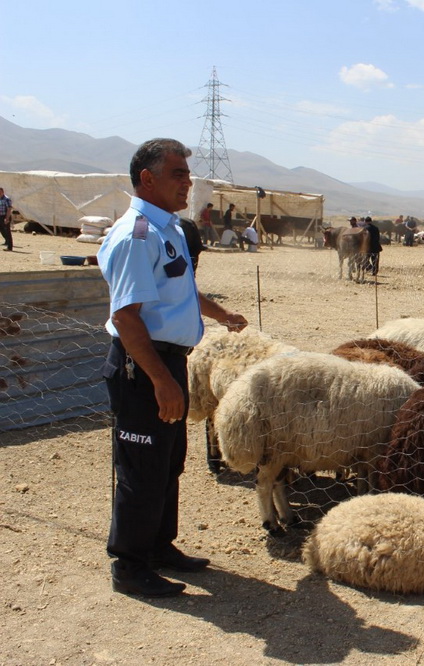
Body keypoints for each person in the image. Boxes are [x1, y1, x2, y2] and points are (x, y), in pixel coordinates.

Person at [96, 138, 247, 598]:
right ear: (148, 179)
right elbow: (127, 316)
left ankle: (160, 546)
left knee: (167, 461)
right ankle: (130, 565)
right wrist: (160, 381)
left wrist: (220, 315)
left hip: (168, 362)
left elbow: (179, 291)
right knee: (142, 465)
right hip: (142, 366)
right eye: (178, 173)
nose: (188, 182)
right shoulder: (135, 235)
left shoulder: (171, 230)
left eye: (187, 173)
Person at [0, 186, 13, 251]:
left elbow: (9, 209)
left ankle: (9, 247)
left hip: (5, 216)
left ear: (2, 192)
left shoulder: (6, 199)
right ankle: (6, 241)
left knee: (7, 231)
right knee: (2, 230)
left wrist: (7, 218)